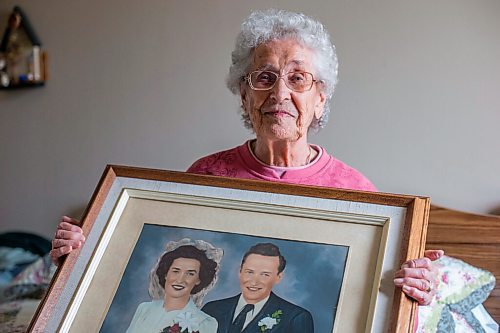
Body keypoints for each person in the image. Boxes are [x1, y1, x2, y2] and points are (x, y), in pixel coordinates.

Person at [50, 8, 441, 310]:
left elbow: (369, 303)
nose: (279, 94)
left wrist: (413, 286)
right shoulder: (205, 175)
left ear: (320, 99)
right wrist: (90, 255)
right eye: (264, 78)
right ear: (244, 95)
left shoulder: (357, 193)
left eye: (298, 78)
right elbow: (163, 269)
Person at [202, 243, 313, 333]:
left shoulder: (296, 318)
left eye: (265, 275)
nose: (254, 282)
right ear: (240, 271)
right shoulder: (212, 309)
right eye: (250, 272)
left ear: (278, 277)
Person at [126, 238, 223, 333]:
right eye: (176, 271)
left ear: (198, 279)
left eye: (190, 274)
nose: (180, 280)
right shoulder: (144, 309)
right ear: (165, 274)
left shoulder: (205, 322)